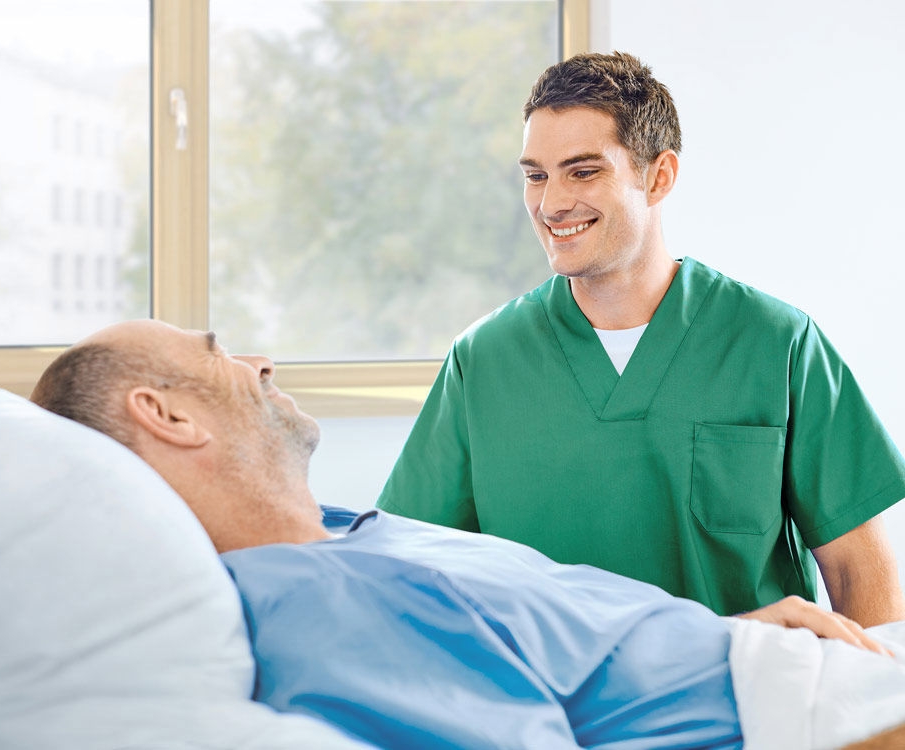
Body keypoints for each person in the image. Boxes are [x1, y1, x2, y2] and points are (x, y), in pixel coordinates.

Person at [30, 319, 905, 750]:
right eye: (217, 351)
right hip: (792, 715)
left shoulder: (351, 534)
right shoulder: (309, 601)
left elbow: (560, 652)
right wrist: (732, 684)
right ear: (167, 412)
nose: (260, 362)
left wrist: (704, 643)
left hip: (781, 660)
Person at [375, 51, 905, 625]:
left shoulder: (778, 345)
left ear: (659, 177)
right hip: (553, 710)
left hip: (746, 702)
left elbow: (860, 574)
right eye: (535, 176)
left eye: (583, 171)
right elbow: (407, 571)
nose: (551, 204)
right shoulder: (483, 362)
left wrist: (872, 705)